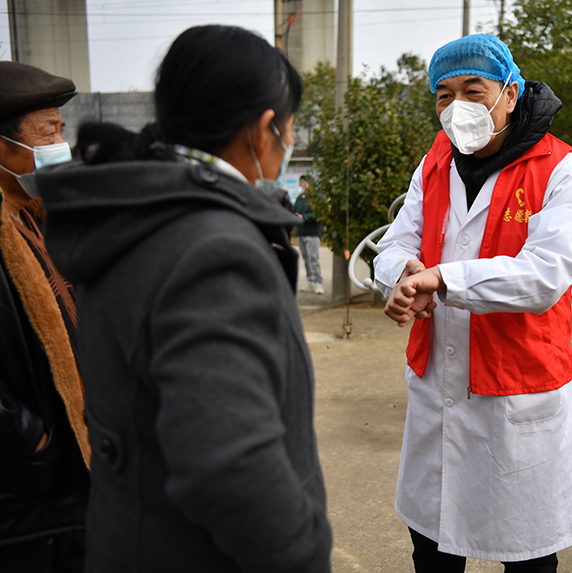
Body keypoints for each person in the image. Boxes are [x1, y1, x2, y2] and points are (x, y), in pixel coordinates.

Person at [36, 26, 332, 572]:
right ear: (265, 130)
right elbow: (231, 469)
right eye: (289, 129)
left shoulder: (132, 211)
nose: (287, 145)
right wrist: (304, 553)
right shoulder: (214, 248)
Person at [373, 34, 572, 572]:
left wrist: (441, 280)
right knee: (431, 548)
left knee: (527, 557)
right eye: (444, 96)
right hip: (438, 386)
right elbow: (398, 239)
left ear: (511, 94)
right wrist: (402, 274)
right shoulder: (435, 162)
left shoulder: (562, 169)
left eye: (474, 90)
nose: (458, 107)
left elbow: (545, 275)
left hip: (516, 395)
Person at [0, 61, 90, 572]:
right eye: (48, 130)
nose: (62, 142)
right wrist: (34, 440)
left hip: (70, 483)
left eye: (62, 127)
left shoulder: (36, 219)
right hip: (24, 498)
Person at [295, 175, 325, 294]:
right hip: (301, 231)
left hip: (312, 232)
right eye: (301, 183)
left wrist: (306, 218)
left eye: (305, 182)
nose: (303, 185)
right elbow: (295, 210)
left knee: (313, 257)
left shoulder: (317, 198)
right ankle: (310, 280)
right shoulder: (300, 198)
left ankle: (318, 282)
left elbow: (319, 214)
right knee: (306, 257)